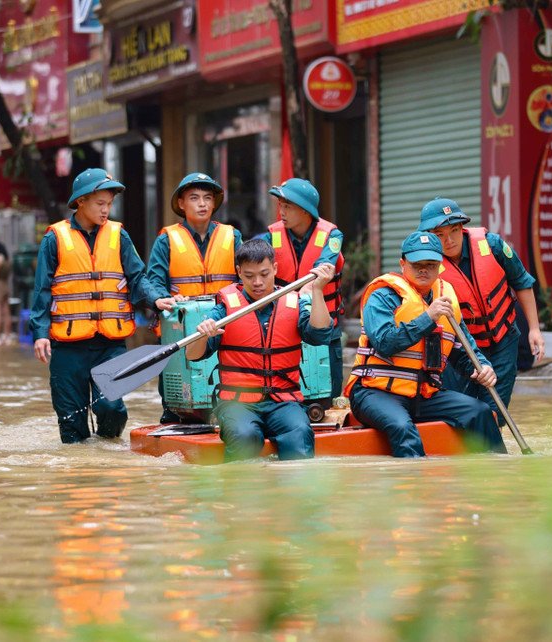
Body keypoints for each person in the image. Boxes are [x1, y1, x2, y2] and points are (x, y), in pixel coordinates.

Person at [30, 168, 175, 443]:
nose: (106, 210)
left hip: (109, 344)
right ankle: (83, 472)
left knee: (111, 408)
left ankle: (108, 458)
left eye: (109, 204)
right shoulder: (54, 238)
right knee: (71, 423)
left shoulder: (119, 235)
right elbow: (42, 291)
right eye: (100, 204)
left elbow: (137, 278)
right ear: (81, 201)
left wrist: (156, 299)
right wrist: (39, 333)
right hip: (67, 347)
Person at [345, 231, 508, 458]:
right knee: (403, 427)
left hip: (425, 394)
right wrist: (427, 318)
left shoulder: (445, 300)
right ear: (403, 264)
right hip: (374, 393)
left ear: (440, 266)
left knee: (480, 412)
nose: (424, 270)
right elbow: (384, 343)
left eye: (430, 264)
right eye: (417, 264)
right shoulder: (382, 296)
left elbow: (464, 351)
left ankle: (499, 475)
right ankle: (418, 487)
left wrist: (482, 367)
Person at [185, 239, 336, 462]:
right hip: (238, 403)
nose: (257, 282)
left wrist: (318, 290)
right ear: (238, 272)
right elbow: (192, 355)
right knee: (245, 435)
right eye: (249, 276)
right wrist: (203, 333)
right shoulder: (225, 308)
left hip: (283, 401)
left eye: (264, 274)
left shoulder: (293, 302)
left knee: (299, 432)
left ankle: (294, 494)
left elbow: (320, 335)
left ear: (275, 269)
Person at [417, 197, 544, 417]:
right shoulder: (424, 263)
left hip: (502, 341)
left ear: (462, 228)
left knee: (494, 411)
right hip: (459, 349)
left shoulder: (491, 245)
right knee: (456, 410)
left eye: (454, 230)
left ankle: (490, 444)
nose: (448, 240)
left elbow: (522, 281)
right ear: (428, 235)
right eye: (439, 235)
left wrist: (534, 329)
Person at [146, 172, 242, 424]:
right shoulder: (166, 239)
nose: (202, 204)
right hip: (181, 328)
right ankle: (174, 423)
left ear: (214, 203)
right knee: (177, 398)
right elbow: (155, 281)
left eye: (207, 198)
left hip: (223, 325)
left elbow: (246, 280)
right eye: (194, 198)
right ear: (181, 203)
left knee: (226, 387)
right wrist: (160, 298)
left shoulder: (232, 236)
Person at [266, 178, 346, 399]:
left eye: (287, 206)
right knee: (285, 386)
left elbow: (325, 265)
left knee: (329, 390)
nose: (281, 211)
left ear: (305, 211)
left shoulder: (332, 235)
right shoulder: (271, 237)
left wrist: (310, 287)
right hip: (283, 322)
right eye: (280, 205)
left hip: (324, 321)